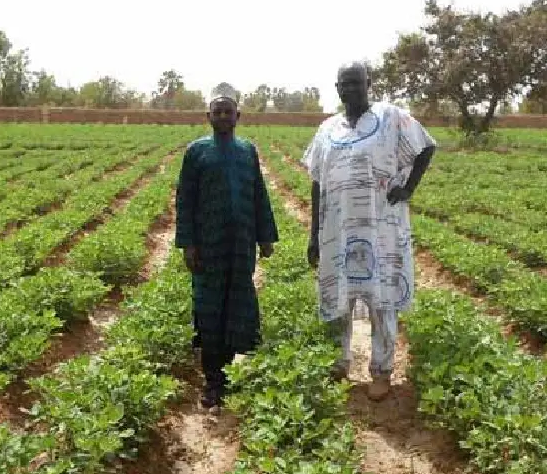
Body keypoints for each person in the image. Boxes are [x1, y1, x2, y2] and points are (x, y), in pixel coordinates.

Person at [302, 61, 437, 401]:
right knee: (338, 297)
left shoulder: (391, 117)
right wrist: (313, 234)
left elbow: (426, 146)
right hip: (337, 229)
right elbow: (317, 181)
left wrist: (408, 189)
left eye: (355, 83)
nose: (349, 89)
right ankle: (340, 361)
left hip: (381, 229)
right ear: (336, 89)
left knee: (382, 297)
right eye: (343, 84)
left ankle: (381, 369)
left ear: (368, 83)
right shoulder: (327, 129)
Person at [175, 94, 279, 411]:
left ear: (238, 116)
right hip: (209, 247)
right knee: (209, 309)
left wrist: (265, 238)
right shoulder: (196, 152)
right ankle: (212, 380)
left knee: (238, 305)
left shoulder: (248, 151)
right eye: (217, 111)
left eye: (228, 111)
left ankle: (232, 371)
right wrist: (189, 244)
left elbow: (258, 194)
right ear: (208, 116)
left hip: (241, 246)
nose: (222, 116)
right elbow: (185, 200)